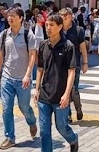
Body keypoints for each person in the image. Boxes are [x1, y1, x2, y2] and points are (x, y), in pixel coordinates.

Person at [0, 6, 38, 150]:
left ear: (21, 18)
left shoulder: (28, 35)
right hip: (7, 77)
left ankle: (32, 122)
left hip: (22, 79)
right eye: (8, 15)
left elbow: (32, 56)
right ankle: (9, 137)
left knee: (24, 107)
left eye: (13, 15)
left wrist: (27, 74)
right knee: (6, 109)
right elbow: (0, 55)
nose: (10, 18)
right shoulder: (4, 34)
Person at [34, 14, 79, 152]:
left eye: (51, 25)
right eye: (47, 25)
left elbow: (71, 72)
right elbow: (40, 69)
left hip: (60, 97)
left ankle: (73, 139)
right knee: (44, 131)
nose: (48, 28)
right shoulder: (42, 45)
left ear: (60, 27)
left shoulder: (68, 46)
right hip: (44, 96)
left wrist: (66, 94)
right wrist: (36, 89)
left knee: (62, 127)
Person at [60, 8, 88, 122]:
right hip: (61, 64)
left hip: (74, 63)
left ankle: (78, 108)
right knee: (64, 90)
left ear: (70, 17)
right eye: (61, 18)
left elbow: (83, 47)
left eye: (65, 18)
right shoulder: (59, 29)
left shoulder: (78, 30)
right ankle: (68, 114)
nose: (63, 20)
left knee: (74, 89)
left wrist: (85, 62)